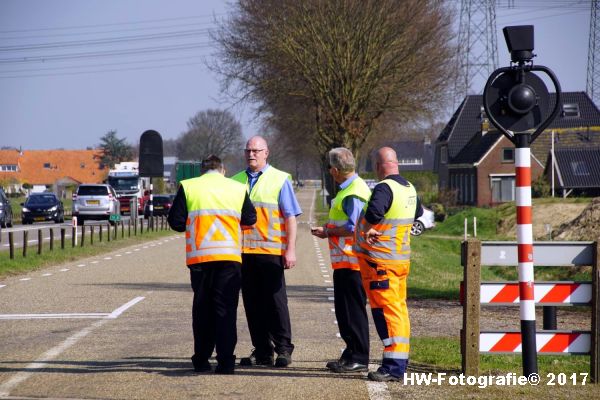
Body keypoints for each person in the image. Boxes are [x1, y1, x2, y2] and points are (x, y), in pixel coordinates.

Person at [168, 155, 256, 375]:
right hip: (229, 258)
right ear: (223, 170)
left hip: (200, 259)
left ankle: (201, 360)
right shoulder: (237, 188)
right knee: (226, 310)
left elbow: (176, 222)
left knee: (202, 310)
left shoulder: (190, 187)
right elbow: (251, 218)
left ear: (202, 171)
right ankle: (226, 362)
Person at [231, 135, 302, 368]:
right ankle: (262, 351)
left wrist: (290, 249)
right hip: (242, 252)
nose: (251, 154)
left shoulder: (280, 179)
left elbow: (290, 217)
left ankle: (283, 349)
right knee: (252, 304)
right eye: (248, 150)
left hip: (271, 251)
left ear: (266, 153)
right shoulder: (235, 181)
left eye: (256, 150)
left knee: (275, 302)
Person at [354, 147, 422, 382]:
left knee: (389, 312)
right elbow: (418, 213)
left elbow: (374, 213)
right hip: (400, 260)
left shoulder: (384, 188)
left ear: (378, 167)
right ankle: (400, 360)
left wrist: (371, 227)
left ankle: (394, 366)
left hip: (381, 262)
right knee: (398, 311)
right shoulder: (409, 188)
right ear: (396, 163)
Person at [311, 147, 371, 373]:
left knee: (352, 311)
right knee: (344, 311)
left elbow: (354, 227)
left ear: (335, 170)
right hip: (345, 261)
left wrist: (328, 231)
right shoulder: (352, 188)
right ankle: (351, 352)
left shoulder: (353, 193)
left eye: (330, 168)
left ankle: (359, 356)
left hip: (352, 261)